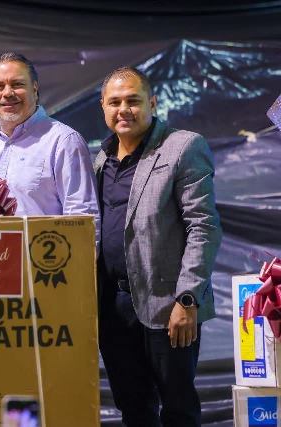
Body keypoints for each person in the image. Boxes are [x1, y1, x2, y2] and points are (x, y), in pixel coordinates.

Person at [95, 66, 222, 426]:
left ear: (152, 103)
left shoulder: (183, 147)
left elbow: (204, 227)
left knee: (179, 410)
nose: (124, 110)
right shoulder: (100, 160)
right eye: (114, 102)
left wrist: (188, 298)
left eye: (133, 101)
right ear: (103, 107)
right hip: (114, 309)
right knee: (133, 409)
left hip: (170, 305)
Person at [0, 52, 99, 237]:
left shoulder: (64, 141)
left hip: (42, 255)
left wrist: (82, 256)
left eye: (17, 84)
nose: (7, 93)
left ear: (35, 88)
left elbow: (83, 216)